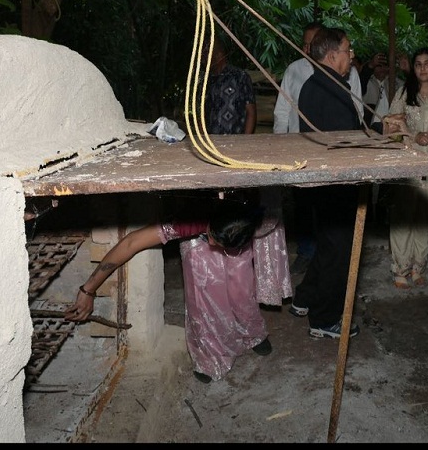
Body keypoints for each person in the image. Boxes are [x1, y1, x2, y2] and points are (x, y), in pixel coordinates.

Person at [64, 190, 290, 383]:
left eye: (218, 242)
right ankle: (209, 355)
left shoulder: (260, 216)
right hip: (198, 234)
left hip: (239, 229)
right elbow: (131, 242)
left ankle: (253, 333)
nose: (213, 244)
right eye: (212, 237)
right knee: (203, 294)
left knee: (242, 289)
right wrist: (88, 289)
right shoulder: (189, 221)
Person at [273, 22, 364, 274]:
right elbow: (282, 113)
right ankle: (309, 256)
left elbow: (356, 116)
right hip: (312, 159)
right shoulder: (302, 74)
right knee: (309, 211)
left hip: (331, 164)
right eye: (306, 44)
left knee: (329, 229)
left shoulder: (339, 78)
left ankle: (320, 272)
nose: (351, 56)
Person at [289, 26, 362, 339]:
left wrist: (378, 128)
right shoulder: (332, 89)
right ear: (332, 55)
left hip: (324, 181)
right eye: (347, 50)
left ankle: (305, 298)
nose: (351, 56)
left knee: (329, 245)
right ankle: (324, 319)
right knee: (338, 252)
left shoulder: (315, 83)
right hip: (336, 182)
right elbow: (346, 141)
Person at [382, 47, 428, 289]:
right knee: (404, 217)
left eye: (427, 63)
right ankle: (400, 269)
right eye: (418, 64)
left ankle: (418, 267)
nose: (423, 68)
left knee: (425, 217)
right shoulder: (404, 93)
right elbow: (390, 127)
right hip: (408, 162)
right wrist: (412, 135)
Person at [203, 35, 257, 135]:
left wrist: (246, 140)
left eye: (208, 54)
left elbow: (251, 112)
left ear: (219, 55)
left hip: (236, 139)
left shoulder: (240, 77)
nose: (204, 59)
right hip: (212, 139)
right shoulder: (207, 80)